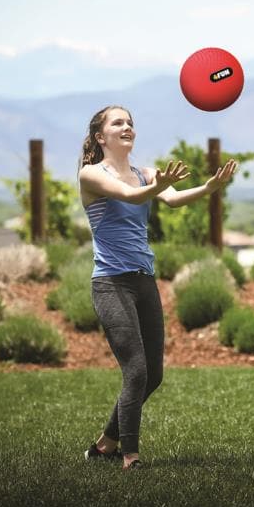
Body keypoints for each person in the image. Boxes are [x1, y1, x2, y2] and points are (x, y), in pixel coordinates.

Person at [77, 104, 237, 470]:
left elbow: (173, 199)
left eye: (131, 122)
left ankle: (104, 444)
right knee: (135, 371)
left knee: (154, 375)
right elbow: (131, 196)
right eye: (118, 122)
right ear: (101, 136)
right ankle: (130, 456)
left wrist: (209, 187)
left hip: (143, 282)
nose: (127, 126)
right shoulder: (91, 174)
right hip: (111, 284)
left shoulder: (144, 172)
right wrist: (157, 186)